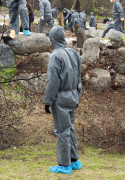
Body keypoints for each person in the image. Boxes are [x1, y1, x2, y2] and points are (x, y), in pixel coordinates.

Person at [44, 25, 82, 174]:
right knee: (70, 128)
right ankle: (74, 161)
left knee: (62, 131)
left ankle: (64, 165)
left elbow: (53, 82)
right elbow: (79, 78)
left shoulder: (55, 56)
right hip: (73, 95)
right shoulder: (74, 53)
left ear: (53, 39)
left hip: (60, 97)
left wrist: (47, 100)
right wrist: (77, 96)